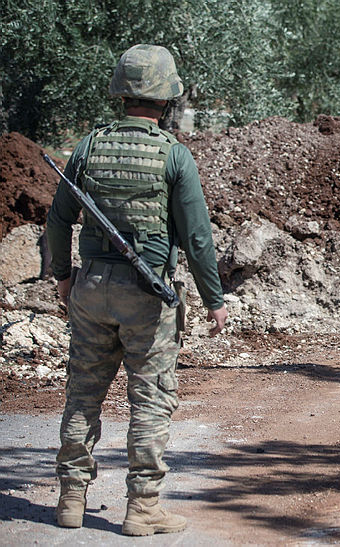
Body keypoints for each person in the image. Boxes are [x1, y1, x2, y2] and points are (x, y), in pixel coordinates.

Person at [46, 44, 228, 536]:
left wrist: (63, 276)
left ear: (120, 93)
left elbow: (58, 218)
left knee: (83, 392)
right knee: (149, 397)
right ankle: (143, 507)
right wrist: (214, 300)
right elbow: (196, 238)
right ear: (168, 98)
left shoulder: (87, 147)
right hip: (146, 297)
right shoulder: (174, 155)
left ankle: (71, 498)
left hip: (90, 289)